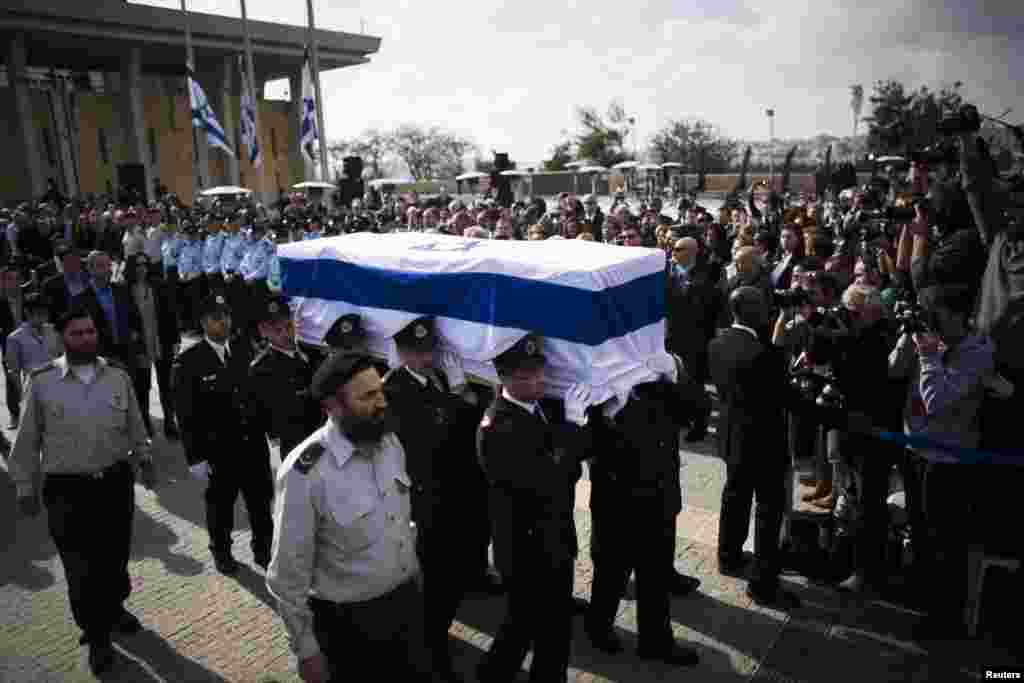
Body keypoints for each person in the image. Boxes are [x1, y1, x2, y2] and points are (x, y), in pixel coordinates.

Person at [266, 352, 434, 683]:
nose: (381, 402)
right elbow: (287, 574)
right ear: (333, 406)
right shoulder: (306, 473)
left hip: (405, 605)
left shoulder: (388, 443)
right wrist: (306, 650)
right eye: (367, 396)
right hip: (350, 627)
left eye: (380, 391)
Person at [9, 305, 156, 675]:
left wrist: (145, 459)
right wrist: (25, 487)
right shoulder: (42, 381)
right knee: (80, 567)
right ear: (62, 338)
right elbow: (26, 441)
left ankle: (115, 609)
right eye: (77, 333)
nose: (86, 338)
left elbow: (136, 425)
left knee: (114, 557)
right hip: (66, 490)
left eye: (90, 332)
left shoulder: (117, 376)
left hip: (114, 483)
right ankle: (97, 636)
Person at [475, 335, 591, 683]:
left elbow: (571, 468)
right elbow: (550, 478)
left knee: (537, 626)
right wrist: (570, 430)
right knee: (532, 626)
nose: (537, 381)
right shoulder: (498, 426)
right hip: (526, 549)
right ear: (504, 378)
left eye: (539, 373)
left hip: (553, 538)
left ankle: (500, 673)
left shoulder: (542, 409)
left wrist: (568, 442)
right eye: (526, 376)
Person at [383, 317, 492, 682]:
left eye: (428, 349)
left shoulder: (438, 378)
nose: (424, 357)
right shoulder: (394, 389)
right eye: (416, 351)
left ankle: (436, 634)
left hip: (454, 491)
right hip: (425, 499)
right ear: (400, 353)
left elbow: (468, 422)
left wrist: (458, 393)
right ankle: (430, 654)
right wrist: (460, 394)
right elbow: (434, 431)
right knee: (433, 579)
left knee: (451, 573)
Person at [585, 351, 706, 666]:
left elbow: (695, 413)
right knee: (611, 573)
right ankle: (598, 629)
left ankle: (656, 641)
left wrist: (675, 375)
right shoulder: (600, 382)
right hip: (618, 501)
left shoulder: (659, 380)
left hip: (659, 496)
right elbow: (584, 442)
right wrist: (605, 411)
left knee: (655, 577)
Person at [708, 287, 803, 609]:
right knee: (768, 509)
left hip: (733, 437)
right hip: (764, 443)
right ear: (752, 312)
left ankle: (729, 556)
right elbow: (785, 396)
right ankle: (763, 584)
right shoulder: (763, 354)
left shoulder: (718, 342)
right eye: (763, 306)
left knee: (734, 494)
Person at [172, 293, 273, 574]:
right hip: (219, 450)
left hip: (252, 444)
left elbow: (257, 395)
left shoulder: (244, 349)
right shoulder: (189, 362)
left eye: (227, 316)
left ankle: (264, 549)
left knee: (261, 502)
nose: (224, 322)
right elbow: (186, 415)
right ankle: (221, 551)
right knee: (221, 507)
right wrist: (195, 458)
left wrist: (270, 428)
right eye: (218, 318)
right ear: (205, 322)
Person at [248, 295, 323, 458]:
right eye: (277, 330)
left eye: (288, 326)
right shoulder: (261, 368)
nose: (285, 333)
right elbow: (261, 409)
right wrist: (273, 434)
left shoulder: (311, 353)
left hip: (322, 431)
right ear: (264, 331)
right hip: (294, 441)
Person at [126, 254, 180, 439]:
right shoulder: (125, 290)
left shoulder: (159, 285)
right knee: (143, 386)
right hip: (141, 345)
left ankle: (170, 422)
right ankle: (145, 422)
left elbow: (171, 312)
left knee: (166, 385)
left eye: (145, 265)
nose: (142, 268)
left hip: (161, 341)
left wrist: (175, 340)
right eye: (138, 265)